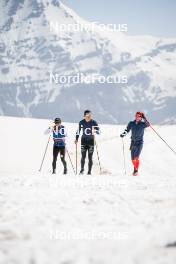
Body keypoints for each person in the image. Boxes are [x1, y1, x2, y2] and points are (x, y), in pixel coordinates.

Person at [120, 112, 150, 176]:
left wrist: (145, 118)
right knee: (133, 159)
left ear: (141, 117)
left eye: (138, 116)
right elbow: (127, 130)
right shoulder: (131, 123)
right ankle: (135, 170)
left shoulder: (142, 124)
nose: (137, 117)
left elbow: (148, 124)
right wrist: (123, 134)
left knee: (136, 157)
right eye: (136, 116)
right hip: (133, 143)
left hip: (139, 143)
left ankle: (135, 171)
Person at [75, 110, 100, 175]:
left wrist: (95, 131)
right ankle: (82, 170)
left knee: (90, 157)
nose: (89, 116)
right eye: (87, 115)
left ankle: (89, 171)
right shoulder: (81, 122)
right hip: (83, 141)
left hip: (91, 141)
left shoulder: (94, 122)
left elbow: (99, 132)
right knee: (83, 156)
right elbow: (78, 131)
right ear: (84, 116)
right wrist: (76, 139)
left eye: (90, 115)